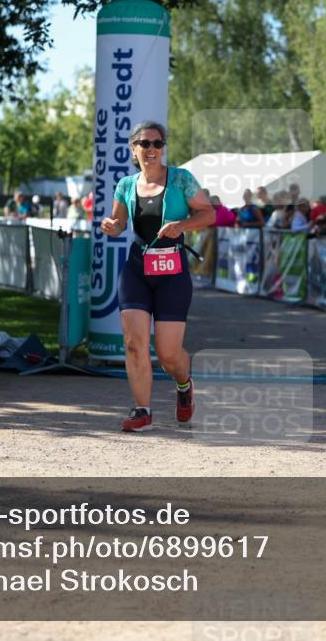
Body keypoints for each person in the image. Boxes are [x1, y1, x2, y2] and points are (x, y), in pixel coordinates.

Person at [99, 121, 215, 433]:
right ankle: (143, 410)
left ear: (163, 148)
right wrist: (111, 226)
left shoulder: (181, 179)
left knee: (168, 355)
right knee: (134, 344)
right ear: (133, 148)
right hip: (137, 269)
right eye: (145, 143)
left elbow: (208, 214)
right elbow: (119, 223)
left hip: (172, 271)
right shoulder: (125, 185)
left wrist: (181, 225)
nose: (152, 149)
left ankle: (184, 385)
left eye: (158, 143)